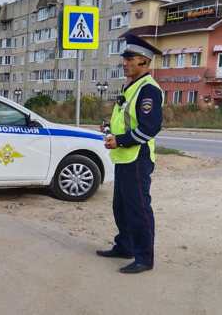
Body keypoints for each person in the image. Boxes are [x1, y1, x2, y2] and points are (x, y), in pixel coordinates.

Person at [97, 33, 164, 275]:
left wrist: (121, 140)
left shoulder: (148, 90)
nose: (124, 63)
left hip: (138, 158)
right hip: (124, 157)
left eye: (130, 58)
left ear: (144, 62)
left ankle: (144, 258)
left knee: (139, 209)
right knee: (121, 207)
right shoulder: (130, 86)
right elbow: (125, 118)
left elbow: (150, 127)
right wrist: (109, 128)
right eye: (124, 58)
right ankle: (124, 246)